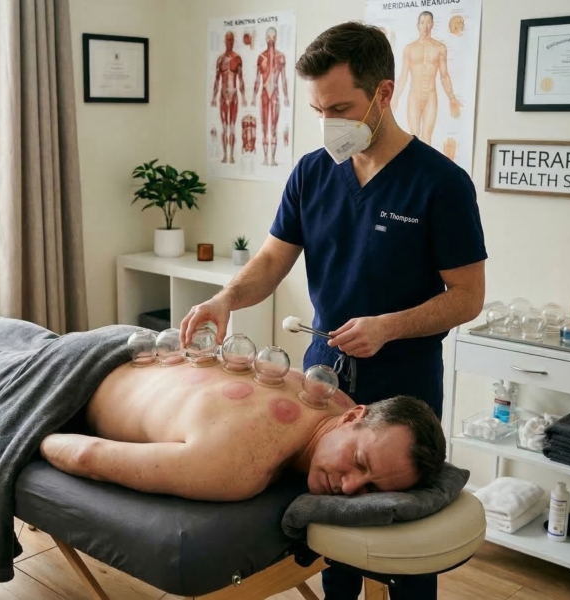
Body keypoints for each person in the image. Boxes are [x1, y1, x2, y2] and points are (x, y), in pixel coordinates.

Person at [180, 21, 487, 600]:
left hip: (404, 383)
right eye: (320, 109)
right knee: (335, 525)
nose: (330, 123)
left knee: (403, 540)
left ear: (385, 93)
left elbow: (468, 298)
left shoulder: (441, 185)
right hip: (323, 371)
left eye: (342, 107)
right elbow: (271, 262)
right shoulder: (313, 172)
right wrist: (226, 299)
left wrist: (389, 326)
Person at [41, 360, 445, 502]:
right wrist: (32, 440)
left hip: (137, 354)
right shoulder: (239, 465)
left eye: (373, 490)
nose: (352, 488)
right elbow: (84, 456)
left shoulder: (334, 397)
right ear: (354, 417)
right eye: (359, 462)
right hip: (73, 380)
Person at [392, 11, 462, 146]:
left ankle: (426, 167)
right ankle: (413, 167)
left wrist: (452, 98)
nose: (425, 26)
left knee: (427, 137)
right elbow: (403, 76)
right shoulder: (410, 48)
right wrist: (395, 99)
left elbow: (444, 75)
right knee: (414, 137)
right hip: (414, 96)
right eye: (422, 22)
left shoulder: (440, 48)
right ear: (418, 25)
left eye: (429, 22)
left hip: (431, 96)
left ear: (433, 24)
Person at [253, 26, 290, 167]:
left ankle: (272, 159)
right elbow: (257, 79)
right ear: (265, 38)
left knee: (273, 128)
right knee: (264, 128)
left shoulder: (281, 57)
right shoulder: (261, 57)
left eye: (273, 36)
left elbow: (284, 79)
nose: (271, 39)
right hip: (263, 94)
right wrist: (252, 97)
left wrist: (286, 96)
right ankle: (264, 158)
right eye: (269, 36)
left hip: (275, 94)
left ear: (276, 38)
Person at [212, 30, 246, 164]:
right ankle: (224, 155)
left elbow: (241, 79)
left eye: (232, 40)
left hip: (234, 96)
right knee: (224, 127)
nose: (230, 42)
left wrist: (243, 97)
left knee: (231, 127)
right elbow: (216, 80)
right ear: (224, 41)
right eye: (228, 39)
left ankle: (231, 155)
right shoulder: (220, 60)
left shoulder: (237, 59)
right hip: (222, 95)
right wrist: (214, 97)